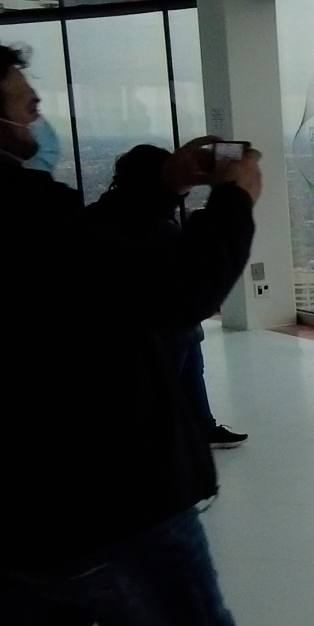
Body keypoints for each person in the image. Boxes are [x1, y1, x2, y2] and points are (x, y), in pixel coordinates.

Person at [0, 29, 313, 626]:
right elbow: (174, 287)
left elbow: (88, 267)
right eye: (26, 107)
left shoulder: (5, 225)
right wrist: (233, 200)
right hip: (107, 504)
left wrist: (158, 180)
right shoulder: (15, 216)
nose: (39, 118)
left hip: (0, 514)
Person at [90, 144, 250, 452]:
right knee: (165, 382)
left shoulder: (112, 219)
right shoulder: (142, 227)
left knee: (190, 373)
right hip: (165, 328)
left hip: (179, 328)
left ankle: (201, 427)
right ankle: (178, 435)